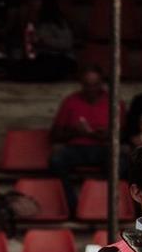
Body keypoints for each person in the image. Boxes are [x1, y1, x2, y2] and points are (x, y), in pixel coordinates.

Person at [49, 64, 123, 216]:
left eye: (95, 84)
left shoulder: (114, 102)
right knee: (56, 161)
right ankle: (72, 207)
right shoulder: (70, 101)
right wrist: (75, 131)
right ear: (81, 84)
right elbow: (54, 135)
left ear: (102, 84)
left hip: (104, 148)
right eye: (87, 85)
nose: (91, 89)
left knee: (121, 164)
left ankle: (103, 206)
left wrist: (106, 134)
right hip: (76, 148)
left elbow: (124, 134)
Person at [8, 0, 75, 82]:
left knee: (43, 67)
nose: (33, 3)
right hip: (42, 57)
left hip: (59, 59)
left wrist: (44, 41)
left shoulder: (57, 21)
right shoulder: (35, 21)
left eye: (36, 0)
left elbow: (67, 43)